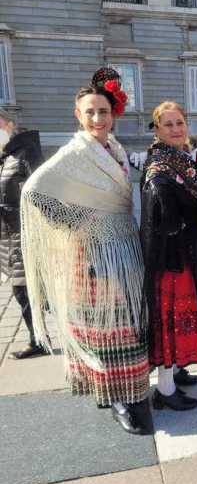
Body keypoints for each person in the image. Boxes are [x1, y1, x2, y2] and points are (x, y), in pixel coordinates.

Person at [21, 68, 151, 435]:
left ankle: (130, 389)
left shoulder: (115, 149)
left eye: (103, 111)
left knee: (126, 324)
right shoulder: (76, 153)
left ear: (113, 114)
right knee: (105, 326)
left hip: (123, 245)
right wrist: (78, 224)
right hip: (95, 253)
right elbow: (34, 191)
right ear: (78, 115)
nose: (97, 118)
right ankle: (116, 397)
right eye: (90, 112)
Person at [140, 101, 197, 411]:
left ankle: (176, 371)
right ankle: (165, 390)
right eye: (168, 124)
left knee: (183, 319)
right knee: (171, 323)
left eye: (179, 123)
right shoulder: (159, 168)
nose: (175, 129)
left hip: (186, 252)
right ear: (157, 129)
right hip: (172, 259)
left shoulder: (181, 160)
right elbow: (164, 219)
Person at [0, 109, 45, 359]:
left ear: (10, 125)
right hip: (9, 234)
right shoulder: (6, 157)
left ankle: (38, 340)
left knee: (23, 290)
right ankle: (38, 338)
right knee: (24, 291)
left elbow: (41, 190)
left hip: (25, 233)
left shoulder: (27, 152)